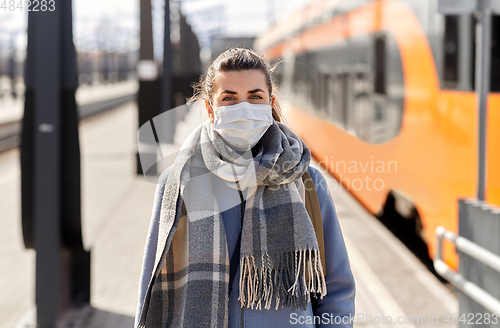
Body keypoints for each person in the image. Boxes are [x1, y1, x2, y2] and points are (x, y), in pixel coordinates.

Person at [134, 48, 356, 328]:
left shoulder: (306, 180)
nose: (244, 108)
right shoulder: (176, 183)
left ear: (270, 103)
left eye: (255, 97)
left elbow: (337, 286)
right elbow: (151, 285)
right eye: (229, 98)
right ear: (210, 109)